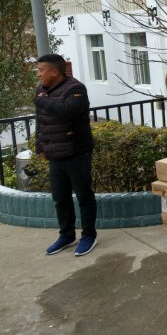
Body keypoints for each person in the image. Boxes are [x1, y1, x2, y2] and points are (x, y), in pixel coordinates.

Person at [35, 54, 98, 257]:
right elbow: (41, 121)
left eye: (41, 70)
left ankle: (89, 236)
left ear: (54, 71)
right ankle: (67, 235)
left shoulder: (76, 89)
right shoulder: (40, 91)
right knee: (60, 199)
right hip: (54, 155)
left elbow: (66, 111)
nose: (38, 74)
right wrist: (39, 147)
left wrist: (41, 101)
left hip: (76, 153)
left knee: (84, 197)